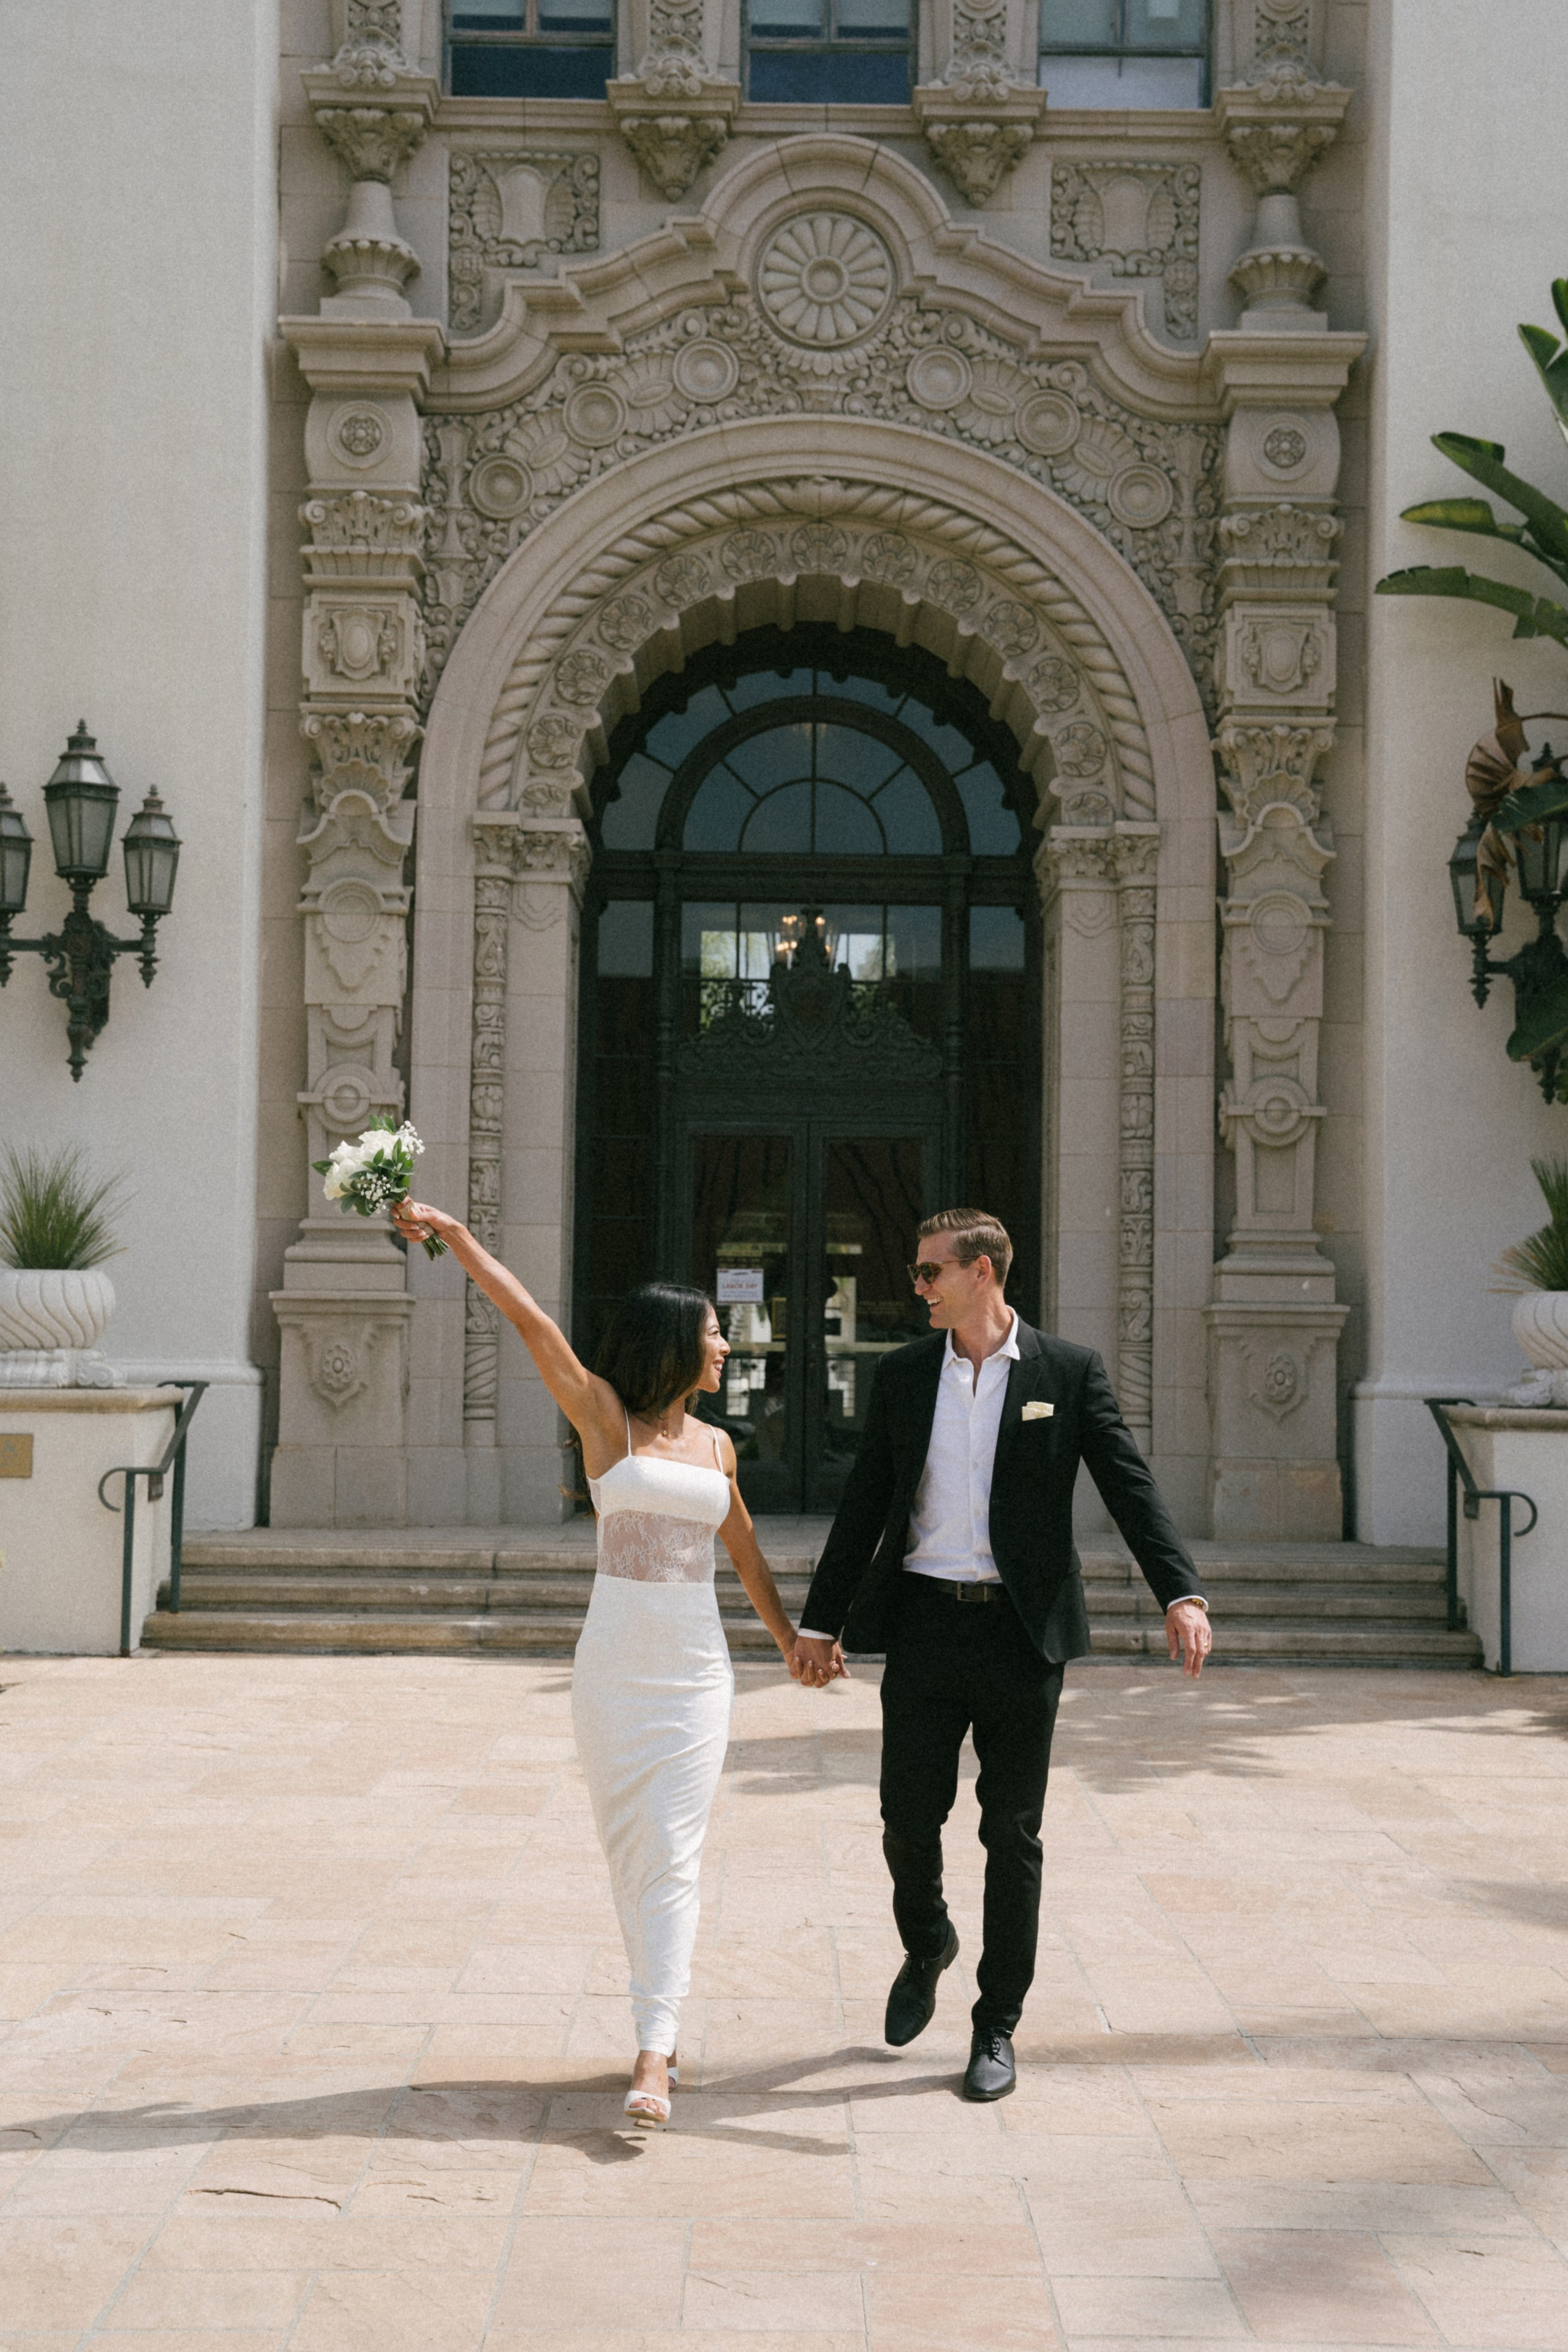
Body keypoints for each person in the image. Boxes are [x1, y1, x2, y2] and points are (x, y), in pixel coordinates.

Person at [391, 1197, 829, 2127]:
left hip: (696, 1675)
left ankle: (653, 2053)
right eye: (714, 1336)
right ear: (675, 1343)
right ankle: (660, 2025)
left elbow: (745, 1556)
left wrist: (789, 1640)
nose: (725, 1350)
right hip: (613, 1675)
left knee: (672, 1854)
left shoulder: (719, 1447)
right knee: (633, 1855)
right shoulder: (604, 1419)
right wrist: (459, 1236)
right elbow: (530, 1322)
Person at [793, 1207, 1212, 2104]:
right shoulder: (905, 1377)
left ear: (982, 1273)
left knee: (1011, 1833)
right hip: (925, 1625)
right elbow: (865, 1503)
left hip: (1024, 1636)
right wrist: (819, 1623)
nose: (917, 1286)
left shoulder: (1067, 1371)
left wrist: (1179, 1591)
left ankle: (996, 2026)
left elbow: (1129, 1487)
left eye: (929, 1271)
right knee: (907, 1817)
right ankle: (928, 1940)